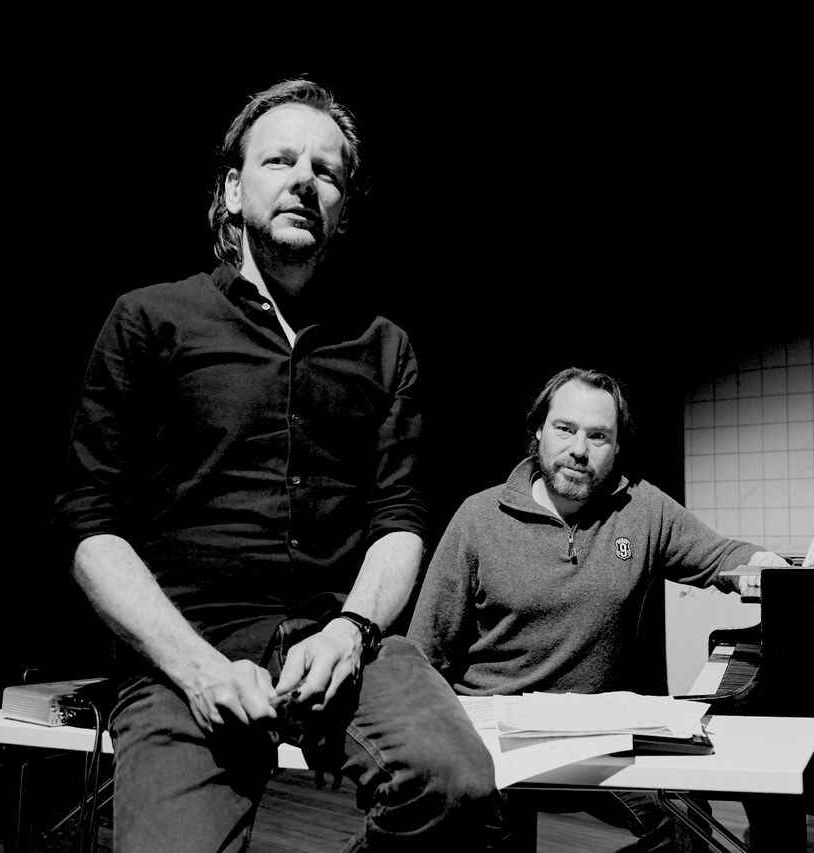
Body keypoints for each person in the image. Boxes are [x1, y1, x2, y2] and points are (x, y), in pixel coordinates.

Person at [53, 78, 498, 852]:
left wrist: (351, 631)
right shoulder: (149, 319)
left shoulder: (385, 346)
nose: (303, 180)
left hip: (339, 640)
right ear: (233, 191)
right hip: (188, 646)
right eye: (280, 160)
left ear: (344, 209)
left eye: (326, 170)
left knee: (454, 783)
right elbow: (91, 526)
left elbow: (400, 519)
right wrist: (197, 668)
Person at [407, 366, 789, 851]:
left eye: (598, 436)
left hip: (598, 735)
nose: (579, 449)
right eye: (565, 429)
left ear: (616, 446)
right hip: (495, 736)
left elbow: (721, 555)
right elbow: (424, 651)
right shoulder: (479, 518)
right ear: (538, 431)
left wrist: (763, 563)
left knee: (683, 824)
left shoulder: (642, 509)